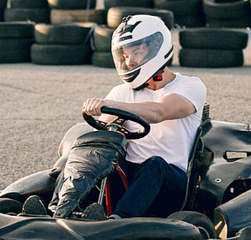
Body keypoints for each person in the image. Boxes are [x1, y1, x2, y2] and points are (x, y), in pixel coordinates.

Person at [25, 14, 206, 219]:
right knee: (83, 154)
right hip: (129, 177)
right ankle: (57, 212)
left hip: (170, 185)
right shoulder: (122, 92)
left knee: (155, 164)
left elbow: (159, 111)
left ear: (157, 47)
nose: (129, 62)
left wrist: (110, 105)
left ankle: (117, 220)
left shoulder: (190, 86)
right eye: (126, 56)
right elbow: (97, 139)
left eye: (135, 53)